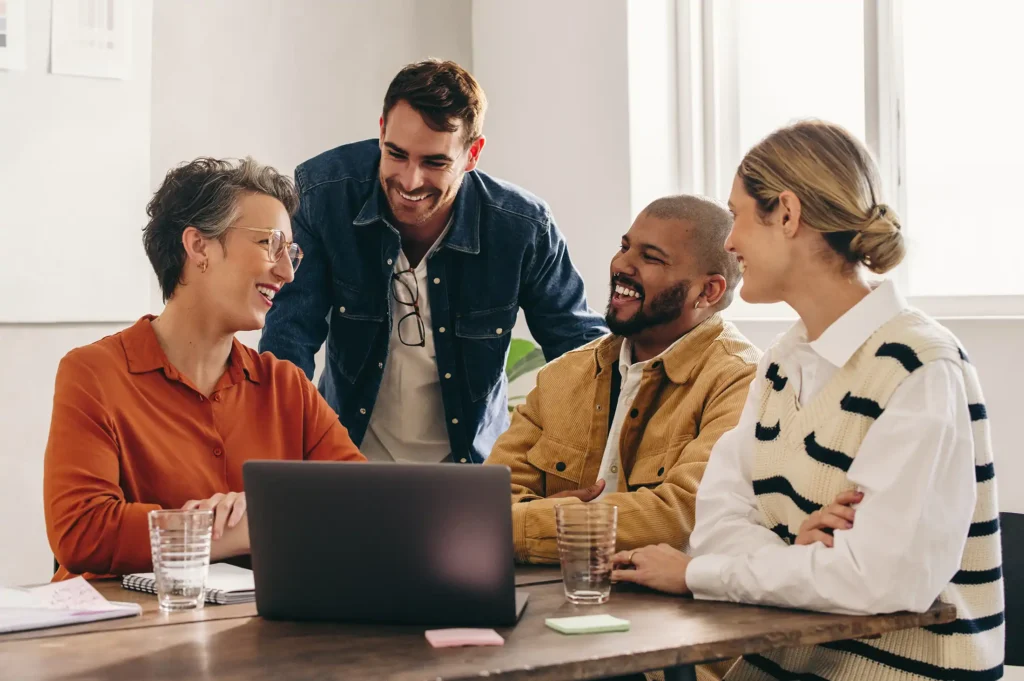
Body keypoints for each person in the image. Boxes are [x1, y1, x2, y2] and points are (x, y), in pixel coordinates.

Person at [612, 121, 1003, 681]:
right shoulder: (780, 363)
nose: (728, 242)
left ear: (788, 214)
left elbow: (878, 582)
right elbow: (716, 523)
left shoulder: (920, 367)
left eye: (739, 214)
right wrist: (798, 552)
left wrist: (702, 573)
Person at [259, 59, 607, 465]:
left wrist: (565, 468)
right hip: (348, 462)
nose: (410, 181)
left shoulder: (523, 227)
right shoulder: (324, 194)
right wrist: (282, 468)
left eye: (435, 162)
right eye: (396, 154)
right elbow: (289, 341)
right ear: (381, 132)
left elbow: (583, 358)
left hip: (470, 471)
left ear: (472, 153)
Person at [44, 157, 365, 581]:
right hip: (122, 637)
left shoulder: (287, 387)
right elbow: (82, 531)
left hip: (257, 636)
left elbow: (364, 508)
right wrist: (225, 532)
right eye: (270, 244)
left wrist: (261, 517)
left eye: (291, 252)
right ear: (198, 247)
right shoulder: (93, 375)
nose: (287, 272)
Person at [485, 195, 759, 566]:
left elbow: (680, 516)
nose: (621, 265)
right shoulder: (564, 374)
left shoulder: (741, 379)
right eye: (624, 247)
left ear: (707, 291)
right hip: (554, 592)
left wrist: (539, 522)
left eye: (651, 257)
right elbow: (492, 497)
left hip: (679, 613)